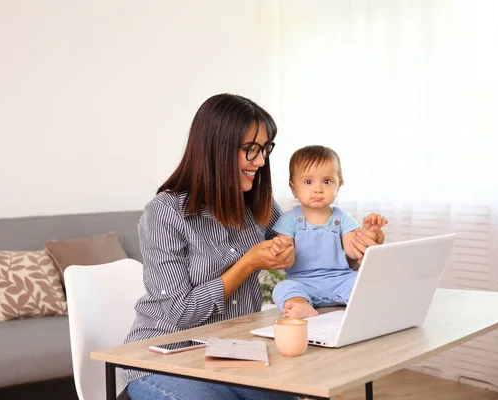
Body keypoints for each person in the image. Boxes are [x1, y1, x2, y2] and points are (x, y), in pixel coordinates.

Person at [123, 95, 384, 400]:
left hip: (232, 351)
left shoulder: (257, 206)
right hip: (163, 358)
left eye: (265, 149)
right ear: (216, 149)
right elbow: (180, 313)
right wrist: (247, 263)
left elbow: (307, 259)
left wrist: (356, 248)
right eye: (251, 149)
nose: (260, 161)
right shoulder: (165, 213)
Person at [270, 145, 387, 319]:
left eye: (326, 181)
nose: (318, 189)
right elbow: (286, 260)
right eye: (308, 182)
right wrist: (281, 248)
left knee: (363, 283)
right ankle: (301, 304)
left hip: (340, 279)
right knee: (283, 289)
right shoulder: (289, 220)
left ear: (338, 185)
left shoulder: (343, 219)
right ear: (293, 188)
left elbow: (353, 251)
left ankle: (367, 306)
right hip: (302, 282)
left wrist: (367, 232)